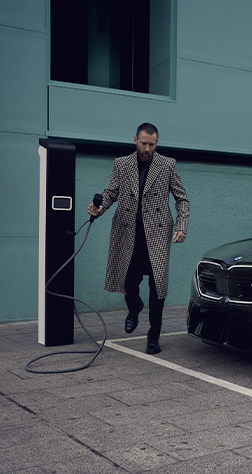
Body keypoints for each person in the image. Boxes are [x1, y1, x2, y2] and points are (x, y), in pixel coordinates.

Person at [88, 123, 190, 354]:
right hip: (128, 233)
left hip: (157, 234)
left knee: (158, 289)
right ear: (135, 140)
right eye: (143, 143)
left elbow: (182, 199)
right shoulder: (121, 164)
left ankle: (153, 338)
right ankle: (134, 308)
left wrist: (182, 226)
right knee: (128, 282)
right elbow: (111, 192)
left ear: (156, 143)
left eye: (151, 144)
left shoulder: (167, 165)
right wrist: (99, 207)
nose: (147, 148)